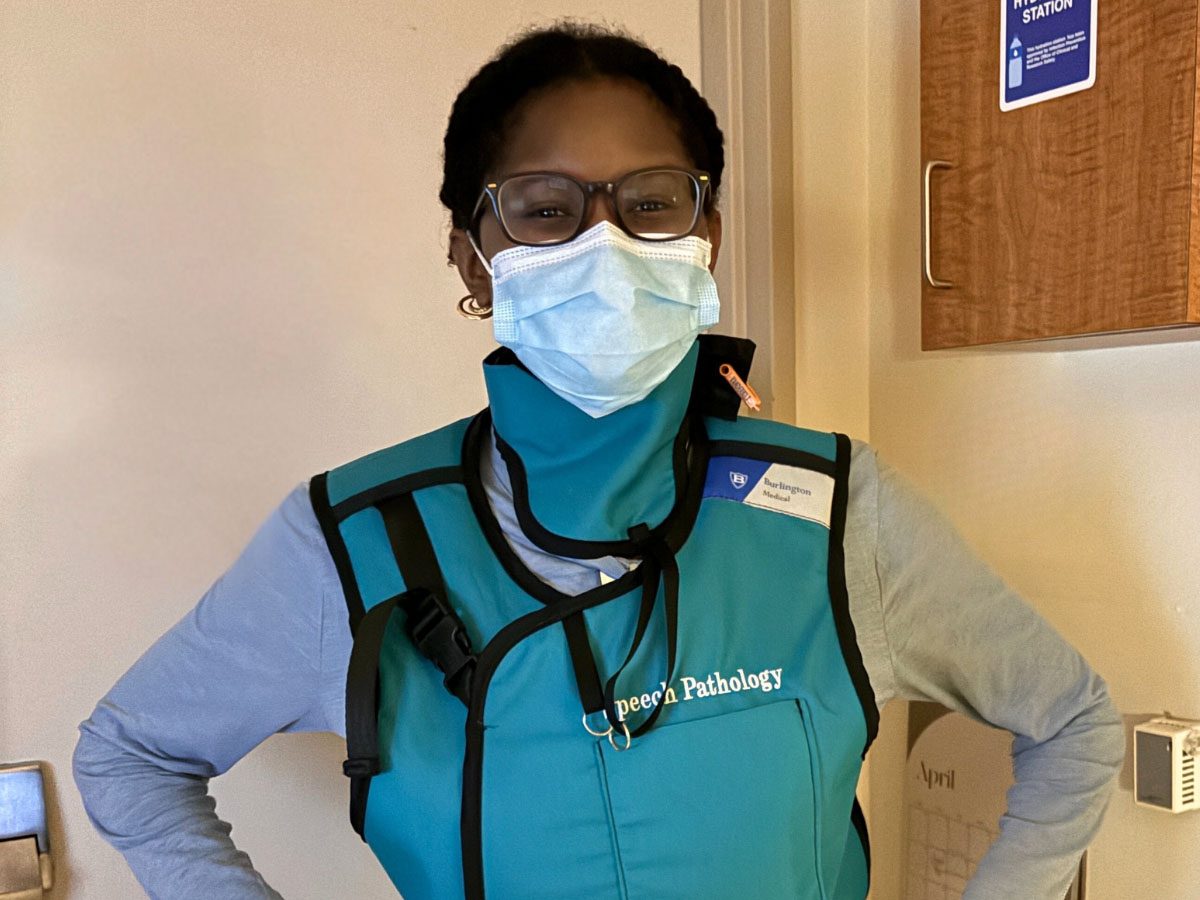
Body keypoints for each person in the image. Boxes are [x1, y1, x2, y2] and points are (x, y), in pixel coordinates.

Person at [73, 22, 1124, 900]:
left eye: (651, 201)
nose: (605, 244)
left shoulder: (837, 513)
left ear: (708, 230)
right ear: (470, 259)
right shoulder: (353, 541)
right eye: (546, 209)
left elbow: (1074, 718)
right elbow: (129, 754)